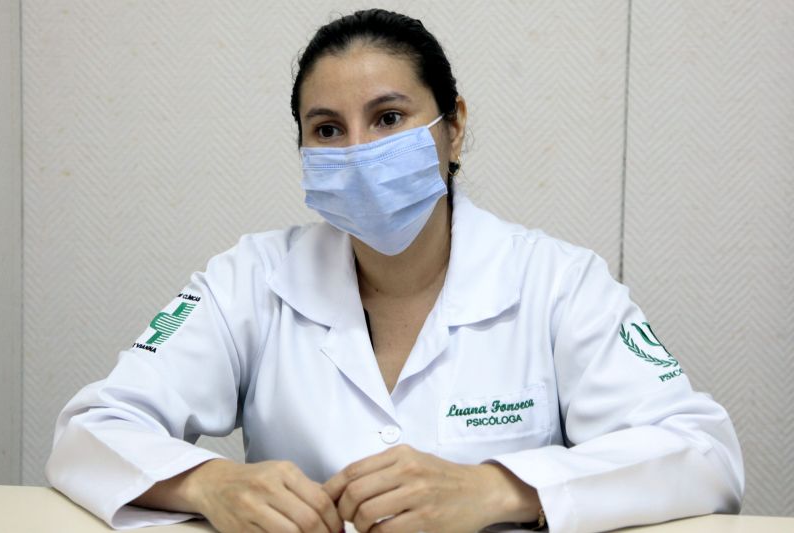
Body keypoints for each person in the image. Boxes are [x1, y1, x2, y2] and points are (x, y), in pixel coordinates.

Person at [46, 8, 743, 533]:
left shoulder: (557, 281)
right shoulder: (250, 279)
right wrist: (207, 482)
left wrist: (501, 488)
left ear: (454, 126)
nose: (358, 151)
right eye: (327, 130)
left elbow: (702, 453)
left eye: (387, 117)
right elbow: (89, 430)